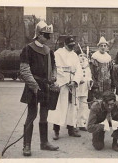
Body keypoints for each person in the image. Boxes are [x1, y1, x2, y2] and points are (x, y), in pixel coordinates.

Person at [20, 21, 59, 156]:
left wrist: (53, 77)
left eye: (49, 36)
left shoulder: (49, 51)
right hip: (33, 86)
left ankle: (44, 143)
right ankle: (27, 145)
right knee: (31, 115)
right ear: (38, 34)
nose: (48, 38)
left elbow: (54, 67)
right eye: (46, 35)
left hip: (46, 86)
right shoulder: (28, 49)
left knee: (44, 116)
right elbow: (24, 70)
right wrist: (34, 86)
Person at [47, 36, 83, 140]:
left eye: (73, 46)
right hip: (62, 84)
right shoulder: (58, 53)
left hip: (72, 84)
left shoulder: (74, 55)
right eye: (69, 46)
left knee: (72, 107)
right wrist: (66, 81)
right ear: (64, 44)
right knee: (59, 107)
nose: (71, 48)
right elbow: (56, 68)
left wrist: (75, 81)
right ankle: (56, 131)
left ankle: (71, 129)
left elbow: (79, 70)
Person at [77, 53, 93, 131]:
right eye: (80, 56)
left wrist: (90, 81)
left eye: (84, 56)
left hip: (84, 89)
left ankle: (82, 123)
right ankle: (72, 124)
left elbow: (89, 77)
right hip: (76, 89)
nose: (82, 58)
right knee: (75, 106)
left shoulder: (87, 68)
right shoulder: (76, 66)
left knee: (83, 106)